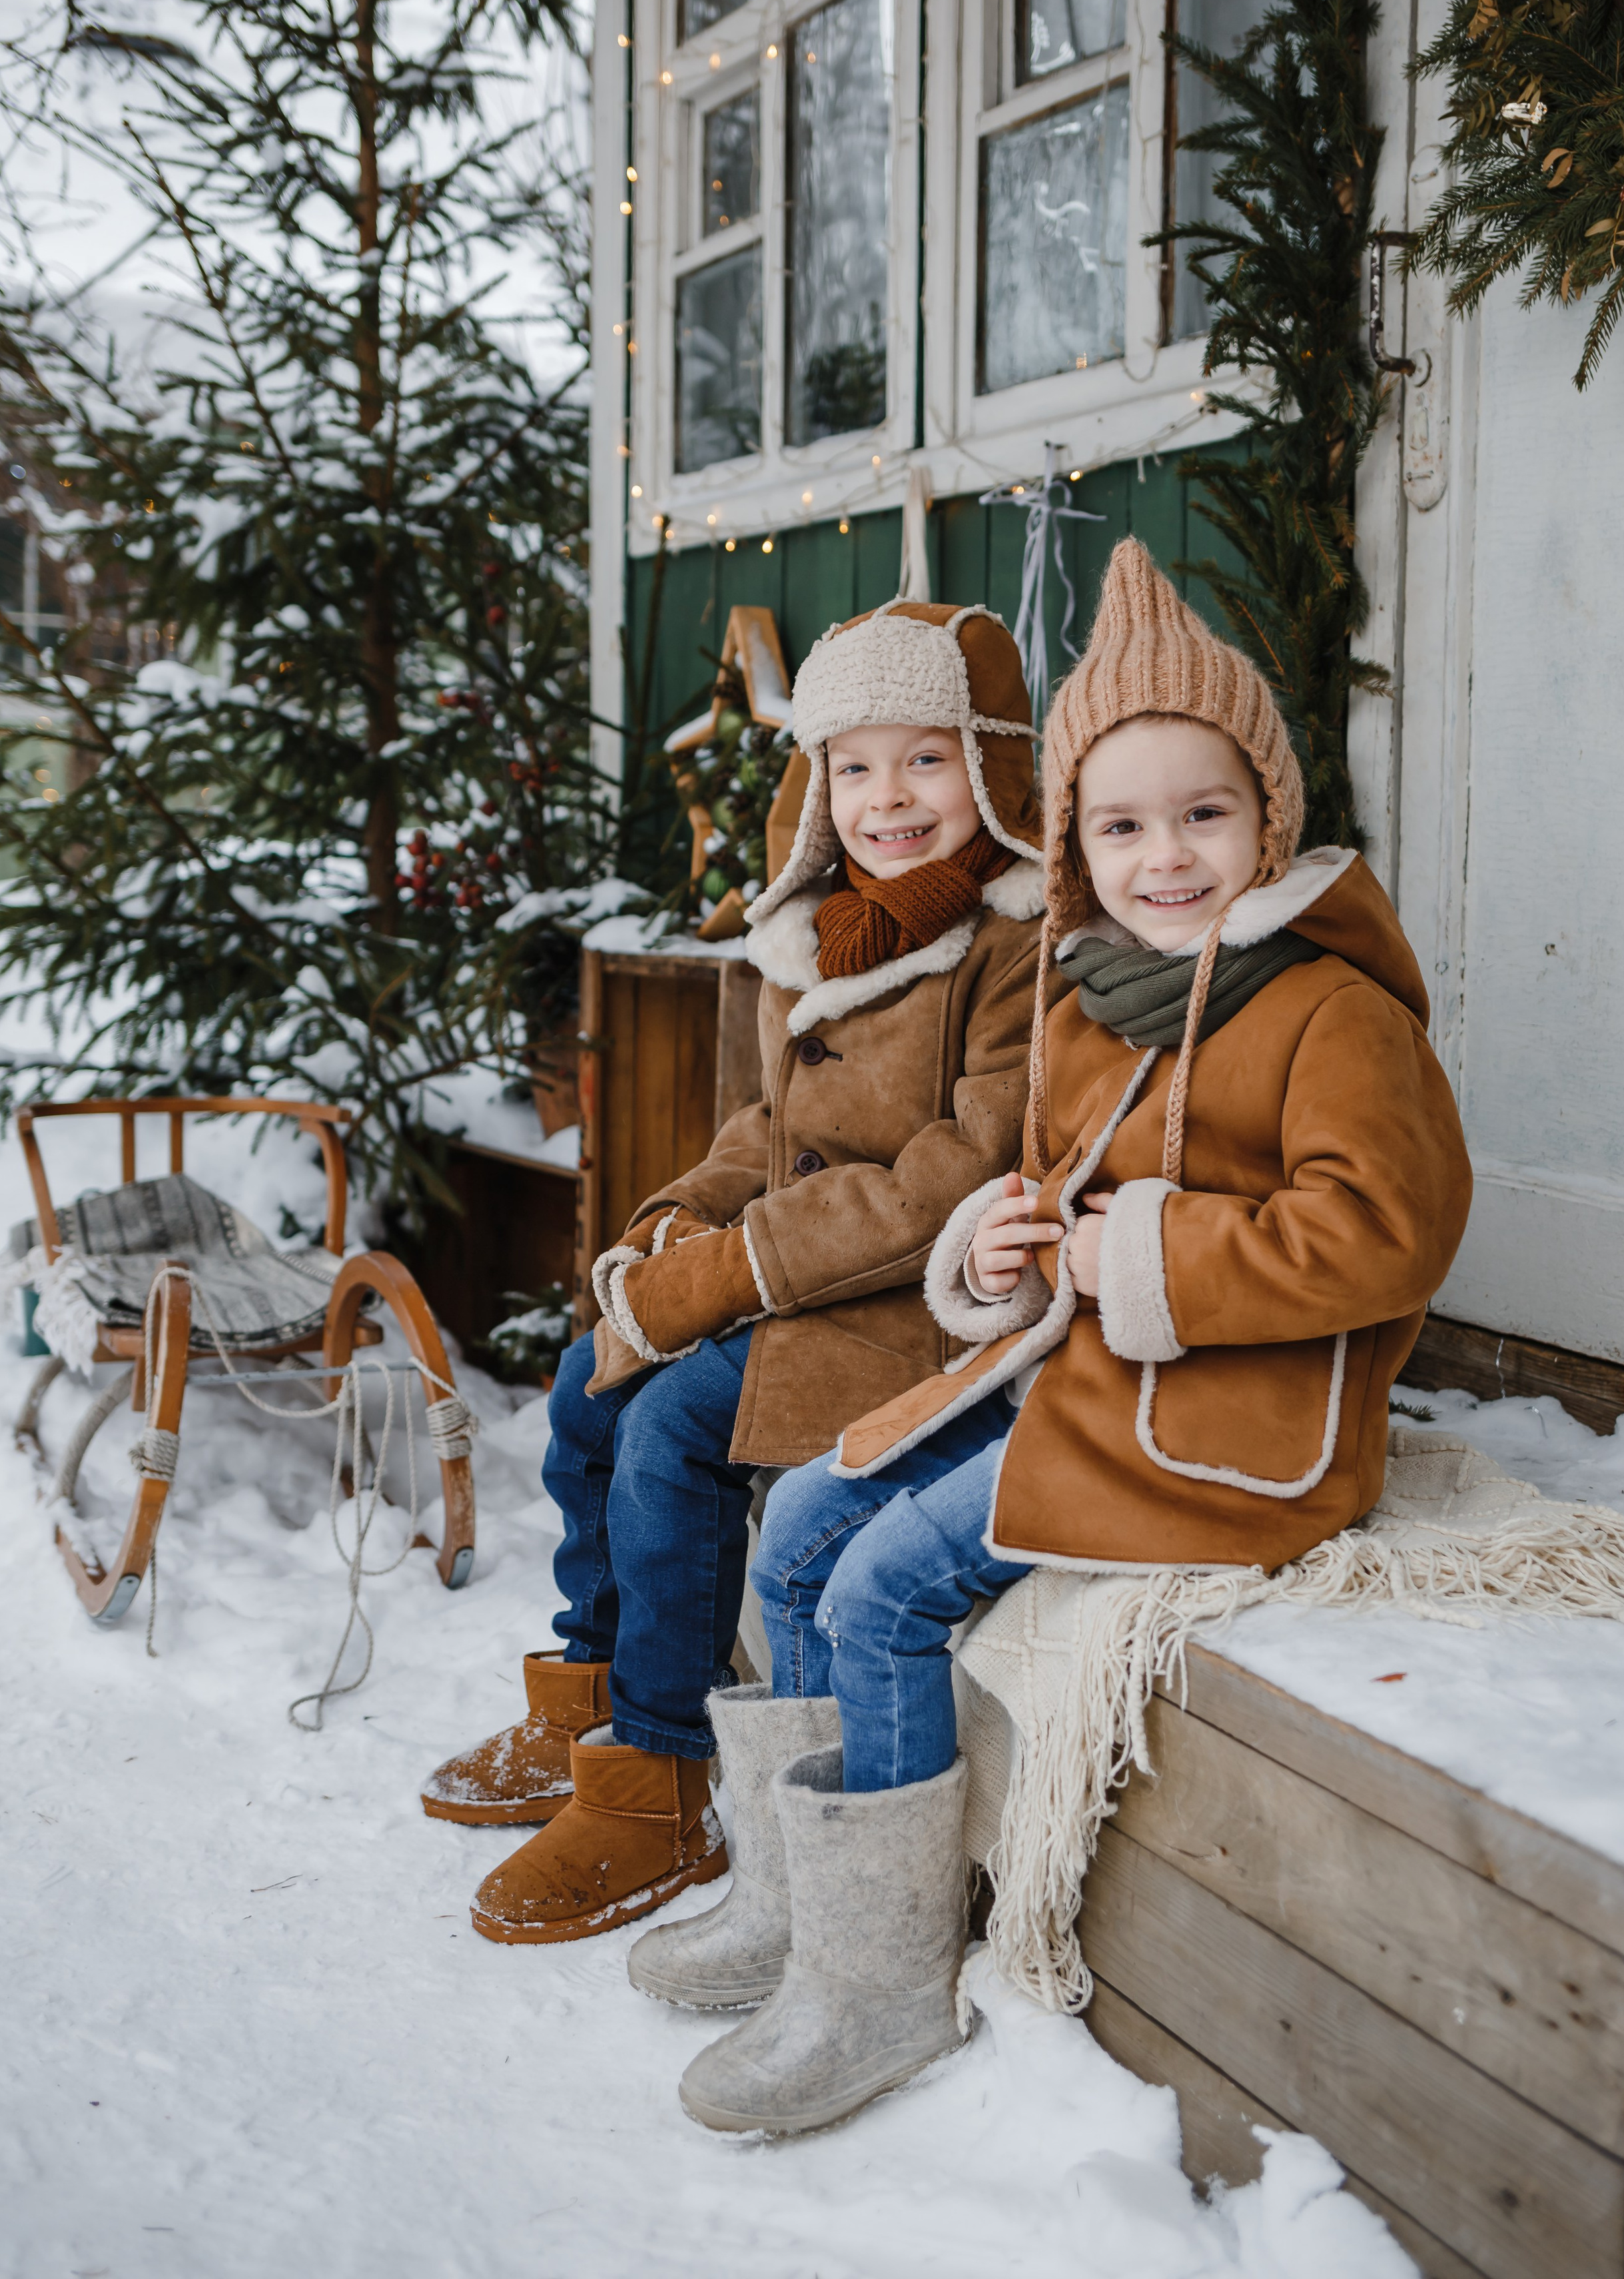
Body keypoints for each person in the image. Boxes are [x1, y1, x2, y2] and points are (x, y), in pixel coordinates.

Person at [646, 539, 1473, 2135]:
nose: (1164, 856)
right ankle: (803, 1908)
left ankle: (883, 1978)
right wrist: (1000, 1245)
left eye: (1202, 816)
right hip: (1094, 1365)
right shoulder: (1100, 997)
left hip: (1236, 1409)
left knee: (887, 1587)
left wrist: (1133, 1251)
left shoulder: (1331, 1013)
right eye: (1121, 825)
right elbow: (1044, 1191)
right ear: (1076, 843)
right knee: (810, 1516)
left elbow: (1381, 1236)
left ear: (1268, 818)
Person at [419, 600, 1050, 1948]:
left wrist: (729, 1273)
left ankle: (663, 1774)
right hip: (809, 1277)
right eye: (855, 764)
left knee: (671, 1428)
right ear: (816, 783)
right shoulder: (828, 931)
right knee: (592, 1387)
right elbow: (768, 1134)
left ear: (991, 765)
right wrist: (666, 1230)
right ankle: (587, 1694)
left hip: (923, 1303)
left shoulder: (1014, 944)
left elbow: (956, 1170)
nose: (888, 797)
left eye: (925, 760)